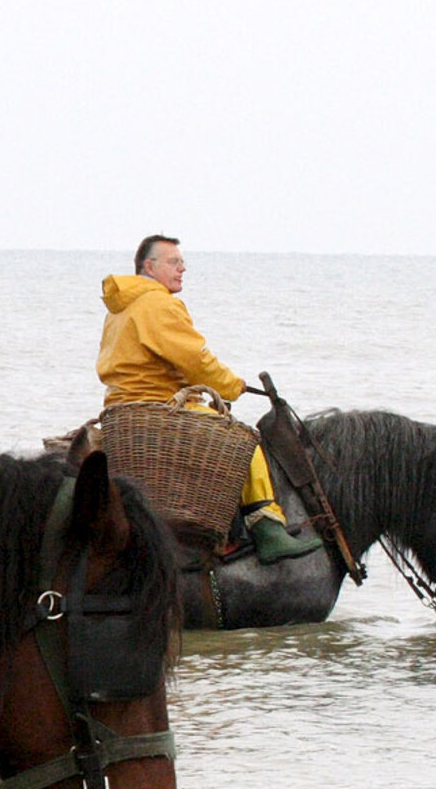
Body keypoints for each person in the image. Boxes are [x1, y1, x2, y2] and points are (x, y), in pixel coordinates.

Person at [97, 235, 321, 562]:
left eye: (182, 262)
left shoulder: (121, 307)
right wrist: (232, 386)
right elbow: (195, 360)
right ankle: (267, 528)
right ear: (149, 266)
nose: (182, 268)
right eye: (174, 262)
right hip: (159, 404)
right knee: (243, 440)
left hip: (123, 407)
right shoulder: (158, 303)